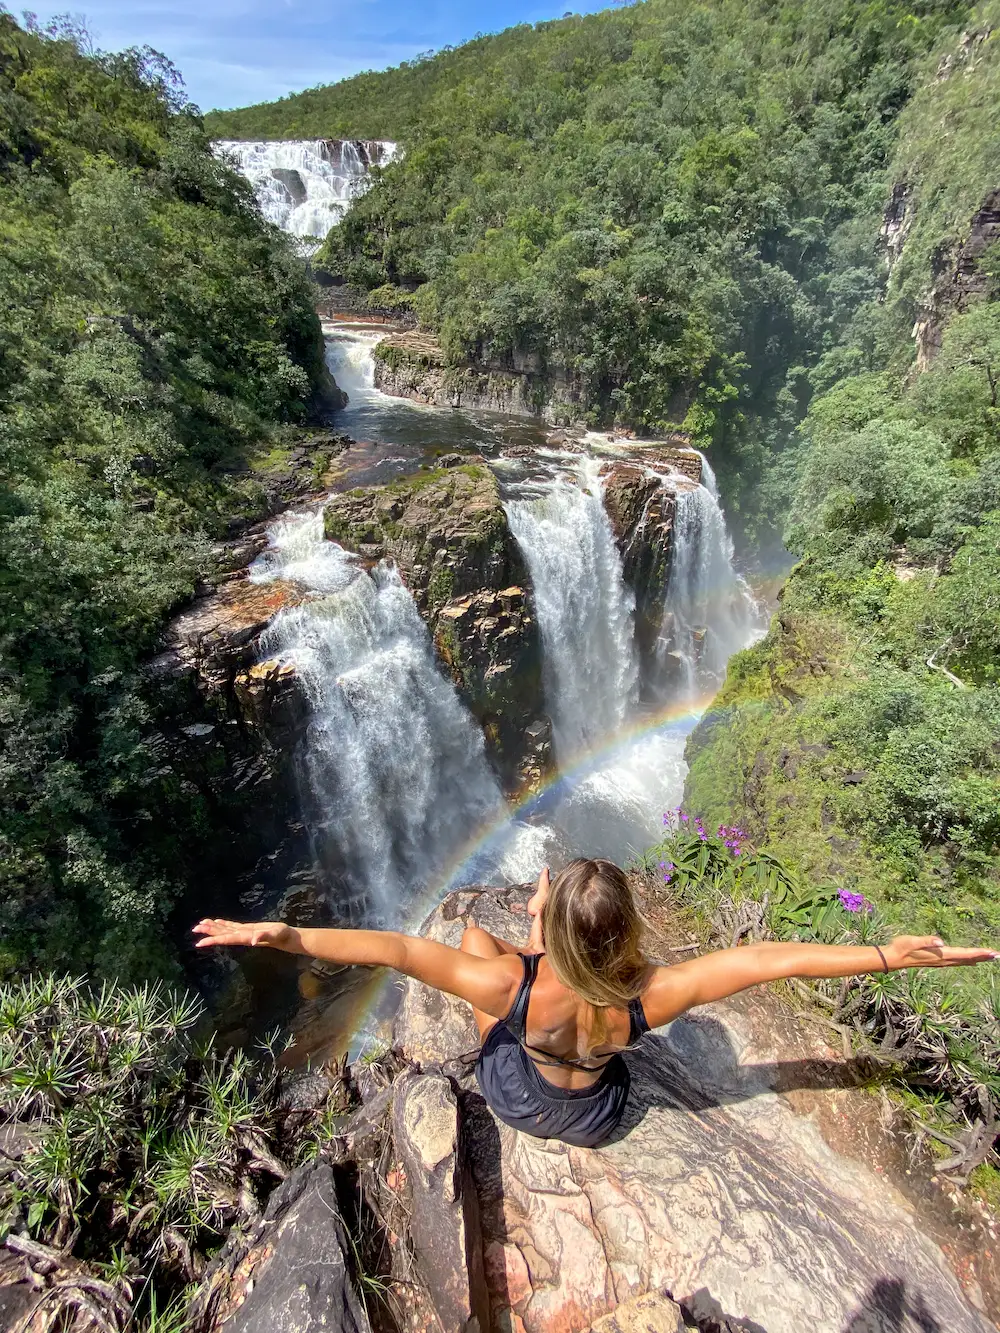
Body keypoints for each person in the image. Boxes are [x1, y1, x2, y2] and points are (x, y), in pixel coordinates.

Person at [193, 857, 997, 1149]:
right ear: (625, 932)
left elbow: (395, 949)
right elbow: (764, 960)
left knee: (474, 939)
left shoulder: (509, 988)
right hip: (598, 1111)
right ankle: (539, 927)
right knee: (496, 947)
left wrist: (289, 936)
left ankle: (530, 928)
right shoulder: (650, 992)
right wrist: (887, 953)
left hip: (520, 1096)